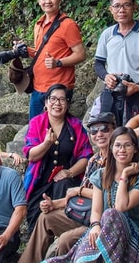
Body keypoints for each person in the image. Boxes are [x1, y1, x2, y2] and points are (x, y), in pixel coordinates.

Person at [45, 127, 139, 263]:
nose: (122, 150)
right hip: (105, 228)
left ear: (135, 149)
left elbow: (120, 207)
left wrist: (124, 176)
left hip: (135, 235)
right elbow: (97, 210)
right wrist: (95, 226)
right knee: (77, 245)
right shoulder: (100, 175)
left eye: (127, 145)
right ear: (111, 148)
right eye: (117, 145)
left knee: (111, 214)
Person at [17, 112, 115, 263]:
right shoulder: (94, 160)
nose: (99, 134)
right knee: (45, 218)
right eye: (94, 131)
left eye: (105, 129)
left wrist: (78, 190)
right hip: (87, 214)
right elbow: (83, 196)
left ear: (114, 130)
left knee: (65, 240)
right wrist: (55, 204)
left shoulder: (117, 157)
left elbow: (110, 195)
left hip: (103, 220)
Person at [21, 83, 92, 230]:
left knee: (64, 186)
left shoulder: (76, 126)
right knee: (36, 221)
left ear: (67, 104)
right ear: (46, 103)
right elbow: (31, 156)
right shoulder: (37, 123)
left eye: (62, 99)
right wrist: (46, 143)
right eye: (53, 99)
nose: (57, 103)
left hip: (66, 181)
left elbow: (86, 156)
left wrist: (69, 172)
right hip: (40, 181)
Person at [22, 0, 87, 120]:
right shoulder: (38, 24)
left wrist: (58, 62)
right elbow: (42, 53)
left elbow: (80, 54)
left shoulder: (68, 25)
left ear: (59, 0)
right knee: (35, 131)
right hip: (37, 87)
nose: (48, 1)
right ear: (39, 2)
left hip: (59, 87)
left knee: (56, 130)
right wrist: (25, 50)